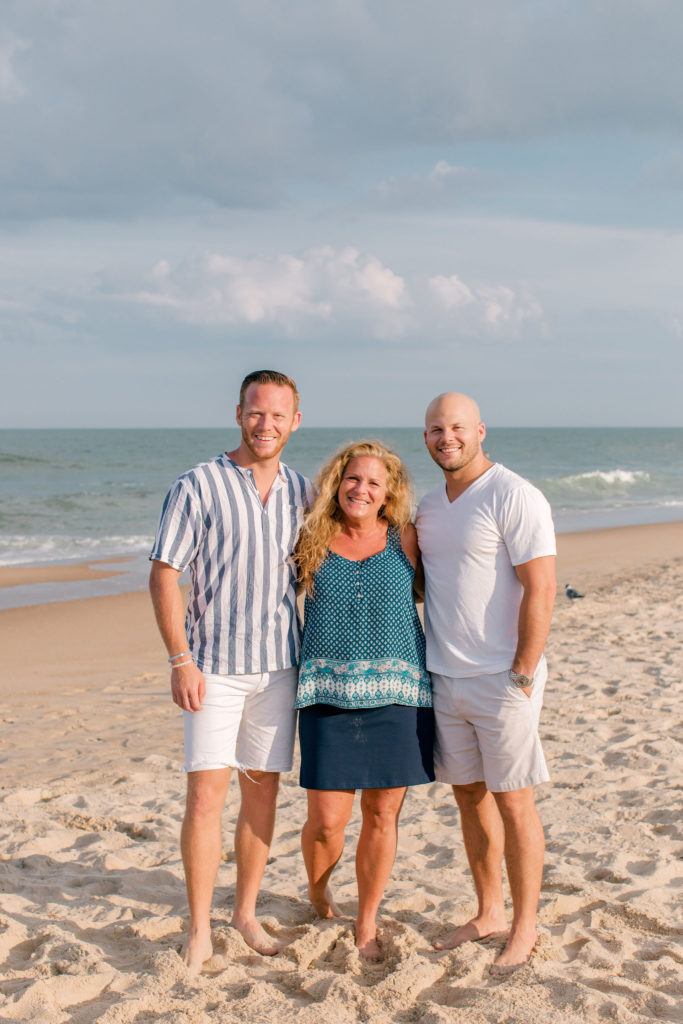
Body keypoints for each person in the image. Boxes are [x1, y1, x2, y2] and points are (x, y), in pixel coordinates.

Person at [148, 369, 312, 974]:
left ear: (295, 421)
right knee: (204, 798)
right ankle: (198, 928)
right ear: (238, 414)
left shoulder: (302, 491)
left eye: (277, 415)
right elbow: (166, 572)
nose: (265, 425)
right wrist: (179, 659)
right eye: (255, 412)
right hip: (211, 669)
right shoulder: (197, 485)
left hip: (279, 669)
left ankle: (244, 912)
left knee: (262, 795)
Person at [416, 393, 556, 976]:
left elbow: (541, 585)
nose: (446, 437)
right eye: (434, 429)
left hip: (503, 678)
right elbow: (426, 586)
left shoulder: (513, 494)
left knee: (515, 803)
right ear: (425, 438)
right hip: (445, 676)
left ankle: (524, 925)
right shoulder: (426, 507)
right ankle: (489, 911)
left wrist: (522, 669)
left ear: (478, 431)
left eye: (456, 427)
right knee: (469, 798)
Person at [294, 441, 434, 959]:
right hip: (325, 695)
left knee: (382, 814)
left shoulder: (408, 539)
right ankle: (317, 889)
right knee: (328, 820)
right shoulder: (310, 537)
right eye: (353, 479)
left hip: (399, 695)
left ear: (388, 493)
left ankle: (367, 922)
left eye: (374, 483)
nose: (362, 489)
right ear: (338, 482)